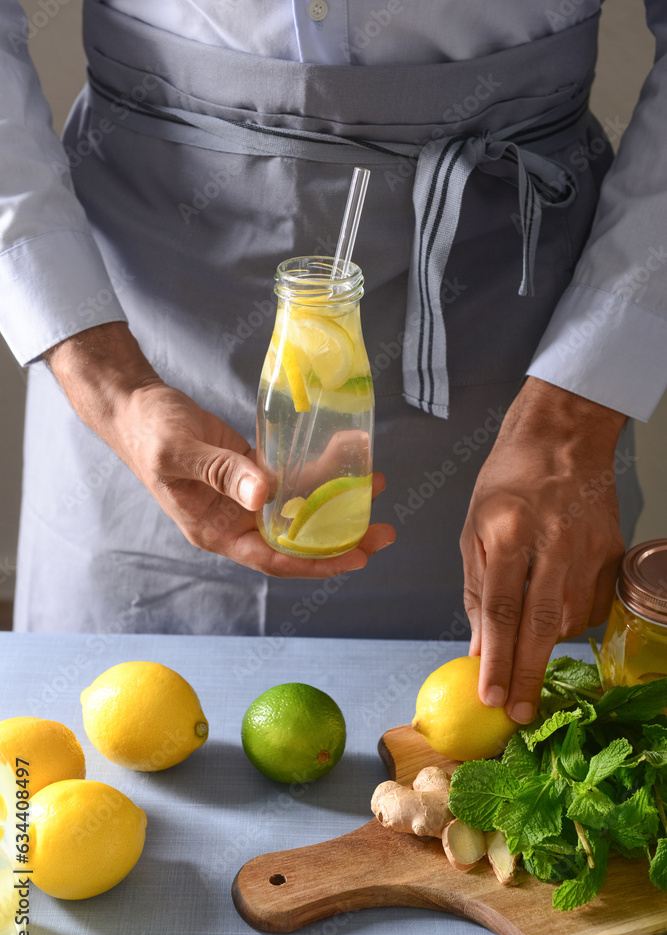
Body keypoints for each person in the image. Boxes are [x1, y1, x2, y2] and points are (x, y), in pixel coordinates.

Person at [1, 1, 664, 726]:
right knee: (85, 761)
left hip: (515, 317)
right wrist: (110, 382)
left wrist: (574, 414)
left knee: (515, 744)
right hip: (140, 302)